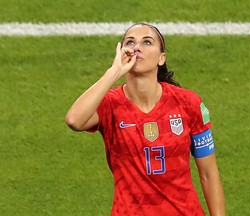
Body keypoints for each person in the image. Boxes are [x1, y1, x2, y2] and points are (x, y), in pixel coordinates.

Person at [65, 22, 225, 216]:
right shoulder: (110, 104)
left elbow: (208, 173)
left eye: (147, 42)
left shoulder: (188, 103)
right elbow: (74, 120)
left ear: (161, 58)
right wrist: (114, 71)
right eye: (130, 42)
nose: (137, 47)